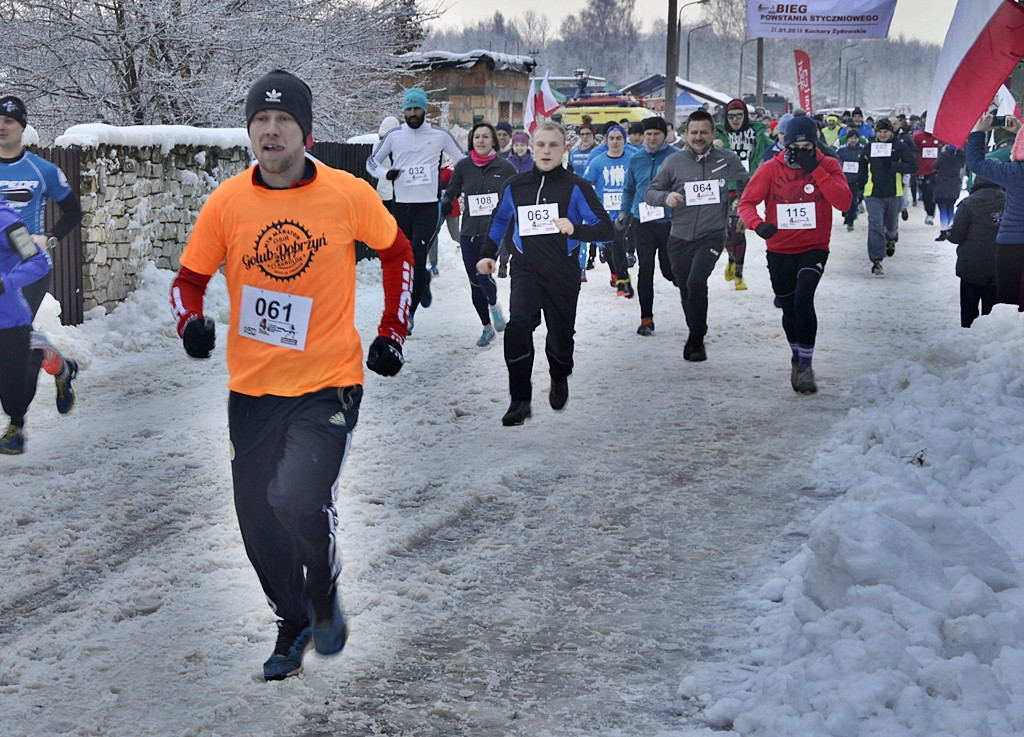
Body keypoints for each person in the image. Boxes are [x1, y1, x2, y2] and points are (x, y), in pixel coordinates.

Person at [169, 70, 414, 681]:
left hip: (327, 382)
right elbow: (189, 281)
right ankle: (293, 618)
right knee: (256, 520)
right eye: (260, 121)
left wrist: (392, 330)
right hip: (252, 390)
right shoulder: (228, 202)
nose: (270, 130)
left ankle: (325, 591)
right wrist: (189, 324)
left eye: (283, 120)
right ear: (250, 131)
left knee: (296, 497)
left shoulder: (346, 193)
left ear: (305, 131)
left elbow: (397, 252)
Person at [476, 122, 613, 426]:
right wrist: (488, 253)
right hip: (527, 270)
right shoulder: (516, 186)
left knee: (561, 338)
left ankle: (559, 374)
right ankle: (520, 399)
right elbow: (499, 221)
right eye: (541, 145)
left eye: (553, 145)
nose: (546, 151)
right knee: (518, 326)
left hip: (563, 272)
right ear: (531, 147)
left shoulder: (577, 187)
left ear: (565, 148)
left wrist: (576, 228)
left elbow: (607, 229)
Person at [737, 115, 852, 394]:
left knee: (804, 298)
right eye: (796, 145)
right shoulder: (768, 169)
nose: (801, 150)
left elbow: (844, 202)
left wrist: (817, 171)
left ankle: (806, 367)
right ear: (786, 144)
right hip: (780, 249)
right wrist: (758, 224)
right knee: (789, 308)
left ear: (815, 144)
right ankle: (796, 356)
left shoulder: (828, 164)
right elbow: (746, 203)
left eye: (807, 145)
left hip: (814, 247)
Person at [645, 109, 749, 361]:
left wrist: (743, 210)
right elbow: (650, 193)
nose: (699, 137)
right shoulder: (674, 162)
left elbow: (747, 184)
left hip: (712, 235)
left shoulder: (727, 159)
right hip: (679, 236)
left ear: (713, 133)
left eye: (704, 132)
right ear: (685, 134)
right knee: (685, 288)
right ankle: (695, 330)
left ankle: (697, 337)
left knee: (696, 282)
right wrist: (665, 197)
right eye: (694, 132)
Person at [0, 95, 82, 414]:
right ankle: (55, 361)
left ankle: (52, 363)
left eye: (9, 121)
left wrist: (49, 239)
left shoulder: (41, 169)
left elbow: (73, 212)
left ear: (22, 127)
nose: (2, 127)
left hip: (28, 269)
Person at [366, 88, 464, 328]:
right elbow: (371, 163)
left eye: (416, 109)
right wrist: (386, 173)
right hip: (401, 207)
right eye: (408, 109)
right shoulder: (394, 136)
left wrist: (455, 189)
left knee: (417, 256)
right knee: (405, 259)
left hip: (428, 208)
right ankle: (423, 281)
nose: (412, 113)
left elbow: (462, 159)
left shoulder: (439, 135)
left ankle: (409, 313)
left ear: (424, 109)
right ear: (403, 111)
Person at [441, 122, 516, 347]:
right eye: (477, 137)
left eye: (485, 137)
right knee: (475, 281)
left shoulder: (505, 167)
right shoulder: (464, 166)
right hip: (469, 232)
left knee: (483, 275)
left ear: (494, 141)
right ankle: (486, 327)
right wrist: (445, 201)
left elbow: (518, 193)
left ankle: (494, 307)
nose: (481, 141)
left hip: (494, 232)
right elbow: (452, 191)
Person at [0, 201, 50, 454]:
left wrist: (5, 283)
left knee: (12, 398)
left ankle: (35, 356)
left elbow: (39, 263)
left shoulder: (7, 222)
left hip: (8, 322)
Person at [620, 116, 676, 336]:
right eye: (648, 134)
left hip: (668, 222)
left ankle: (682, 284)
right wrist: (624, 211)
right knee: (646, 269)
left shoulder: (675, 157)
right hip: (642, 221)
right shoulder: (636, 159)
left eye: (657, 134)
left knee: (669, 270)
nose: (652, 138)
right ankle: (646, 318)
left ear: (665, 135)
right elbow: (629, 189)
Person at [964, 112, 1024, 307]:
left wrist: (978, 132)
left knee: (1008, 302)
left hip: (1013, 243)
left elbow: (975, 163)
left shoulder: (1015, 172)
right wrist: (1019, 131)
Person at [714, 99, 773, 290]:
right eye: (731, 116)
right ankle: (731, 258)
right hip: (722, 186)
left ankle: (739, 272)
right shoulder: (718, 133)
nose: (735, 119)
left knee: (737, 225)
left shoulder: (758, 133)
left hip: (745, 186)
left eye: (739, 115)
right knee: (724, 231)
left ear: (745, 116)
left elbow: (774, 149)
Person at [857, 117, 916, 275]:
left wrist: (894, 166)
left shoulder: (899, 147)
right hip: (873, 193)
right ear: (876, 132)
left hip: (894, 193)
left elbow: (913, 165)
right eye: (880, 131)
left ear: (891, 132)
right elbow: (862, 166)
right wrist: (859, 186)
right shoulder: (870, 147)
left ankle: (891, 239)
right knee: (875, 225)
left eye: (886, 131)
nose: (883, 135)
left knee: (890, 226)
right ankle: (876, 260)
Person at [583, 123, 635, 297]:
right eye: (611, 138)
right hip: (606, 211)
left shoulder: (632, 158)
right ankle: (619, 275)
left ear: (624, 140)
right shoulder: (598, 161)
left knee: (618, 241)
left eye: (619, 138)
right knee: (608, 247)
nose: (615, 142)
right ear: (605, 140)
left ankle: (622, 280)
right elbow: (586, 184)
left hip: (628, 210)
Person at [946, 176, 1004, 327]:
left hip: (971, 268)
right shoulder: (1013, 202)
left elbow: (956, 237)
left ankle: (968, 342)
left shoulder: (968, 204)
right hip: (1001, 268)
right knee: (994, 316)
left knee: (969, 314)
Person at [932, 143, 966, 242]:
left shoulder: (944, 155)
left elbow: (935, 166)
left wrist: (942, 152)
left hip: (942, 183)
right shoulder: (961, 157)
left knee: (942, 208)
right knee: (950, 207)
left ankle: (943, 231)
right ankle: (950, 230)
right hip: (954, 184)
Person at [836, 128, 866, 230]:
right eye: (851, 138)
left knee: (853, 200)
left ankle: (851, 221)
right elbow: (835, 160)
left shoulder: (863, 149)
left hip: (856, 179)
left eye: (855, 138)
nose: (853, 140)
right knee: (843, 199)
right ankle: (845, 213)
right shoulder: (841, 149)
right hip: (843, 179)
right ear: (847, 139)